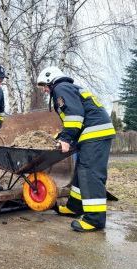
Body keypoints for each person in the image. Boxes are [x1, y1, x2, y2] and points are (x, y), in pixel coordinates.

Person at [37, 66, 116, 232]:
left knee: (90, 173)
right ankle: (75, 207)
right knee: (82, 171)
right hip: (93, 133)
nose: (44, 90)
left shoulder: (61, 88)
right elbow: (76, 117)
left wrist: (66, 139)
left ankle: (94, 220)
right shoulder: (70, 88)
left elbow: (74, 115)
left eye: (45, 85)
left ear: (52, 80)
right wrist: (63, 136)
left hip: (95, 134)